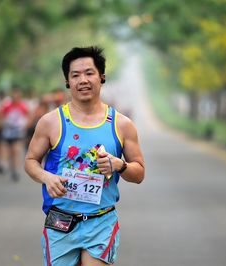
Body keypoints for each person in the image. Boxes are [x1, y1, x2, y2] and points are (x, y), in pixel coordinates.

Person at [25, 46, 145, 265]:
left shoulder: (122, 125)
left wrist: (120, 165)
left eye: (89, 73)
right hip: (61, 220)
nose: (83, 80)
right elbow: (30, 161)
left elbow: (139, 173)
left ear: (102, 77)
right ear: (67, 82)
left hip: (101, 220)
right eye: (75, 75)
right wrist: (47, 177)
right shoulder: (51, 122)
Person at [0, 87, 29, 181]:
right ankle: (9, 166)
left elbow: (28, 115)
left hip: (18, 131)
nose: (16, 97)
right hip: (8, 131)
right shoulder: (7, 105)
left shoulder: (23, 106)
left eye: (18, 95)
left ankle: (15, 170)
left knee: (16, 150)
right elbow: (1, 115)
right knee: (9, 151)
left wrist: (25, 125)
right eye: (14, 95)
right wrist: (3, 123)